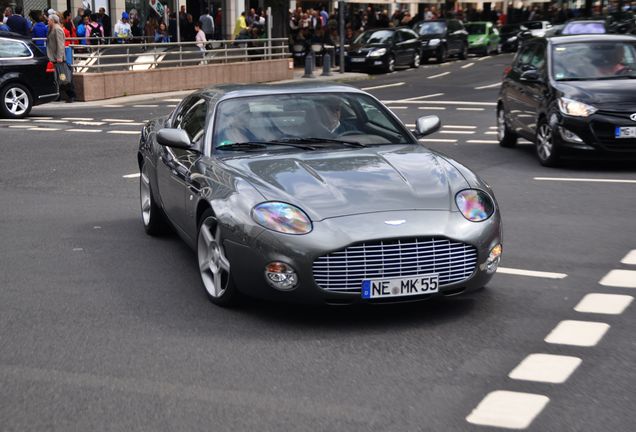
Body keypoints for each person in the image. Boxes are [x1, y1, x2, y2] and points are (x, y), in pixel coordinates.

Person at [47, 14, 75, 103]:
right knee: (58, 77)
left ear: (53, 20)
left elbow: (60, 44)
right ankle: (58, 95)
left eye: (49, 20)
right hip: (53, 57)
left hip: (57, 57)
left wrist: (59, 57)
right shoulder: (52, 29)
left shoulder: (57, 29)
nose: (47, 22)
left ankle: (71, 95)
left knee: (63, 77)